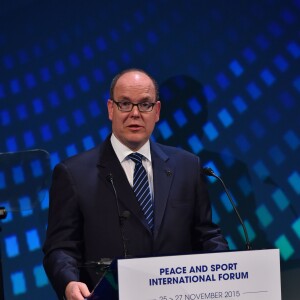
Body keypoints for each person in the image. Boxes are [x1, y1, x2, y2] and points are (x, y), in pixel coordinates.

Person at [43, 68, 228, 300]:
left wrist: (225, 270)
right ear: (111, 109)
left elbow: (207, 235)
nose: (135, 113)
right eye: (125, 104)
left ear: (157, 111)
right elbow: (60, 247)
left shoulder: (187, 166)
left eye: (145, 104)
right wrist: (69, 282)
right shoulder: (73, 173)